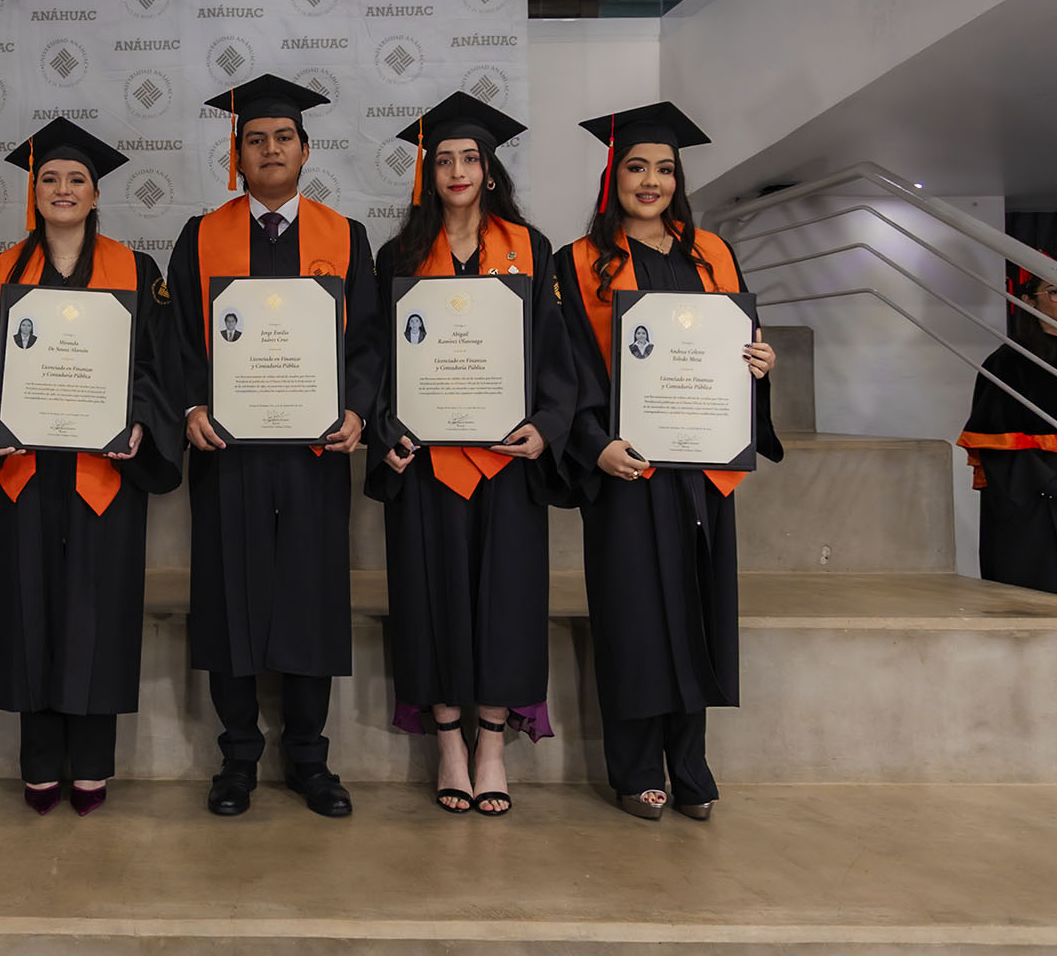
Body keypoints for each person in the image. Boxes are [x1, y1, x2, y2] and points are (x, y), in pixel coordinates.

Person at [0, 117, 183, 817]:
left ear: (95, 192)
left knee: (97, 614)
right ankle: (40, 759)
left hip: (101, 475)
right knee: (30, 616)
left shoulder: (138, 272)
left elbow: (157, 370)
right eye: (49, 178)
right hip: (24, 474)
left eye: (76, 178)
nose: (62, 188)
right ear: (33, 191)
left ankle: (93, 762)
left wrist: (140, 424)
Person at [553, 100, 781, 822]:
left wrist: (760, 364)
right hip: (627, 467)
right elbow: (567, 370)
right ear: (612, 175)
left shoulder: (711, 253)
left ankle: (689, 762)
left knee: (696, 611)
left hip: (702, 465)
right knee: (632, 616)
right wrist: (594, 445)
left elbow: (732, 347)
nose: (649, 181)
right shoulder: (578, 262)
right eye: (636, 167)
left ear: (678, 180)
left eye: (664, 169)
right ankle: (634, 767)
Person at [167, 73, 384, 819]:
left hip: (315, 453)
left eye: (282, 138)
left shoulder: (345, 237)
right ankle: (236, 760)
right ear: (238, 153)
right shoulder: (200, 237)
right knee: (228, 599)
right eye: (255, 139)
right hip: (228, 452)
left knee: (310, 597)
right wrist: (192, 404)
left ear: (305, 149)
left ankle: (309, 759)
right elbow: (180, 344)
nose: (269, 149)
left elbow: (366, 344)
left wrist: (358, 410)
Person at [365, 91, 574, 817]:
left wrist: (547, 426)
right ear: (429, 174)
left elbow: (555, 352)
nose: (456, 169)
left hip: (506, 461)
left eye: (469, 158)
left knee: (505, 603)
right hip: (428, 466)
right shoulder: (398, 257)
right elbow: (378, 364)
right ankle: (448, 742)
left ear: (490, 171)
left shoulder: (529, 248)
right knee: (432, 600)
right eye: (443, 159)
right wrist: (385, 430)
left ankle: (492, 745)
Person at [958, 255, 1057, 593]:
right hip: (1036, 497)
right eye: (1055, 291)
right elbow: (996, 446)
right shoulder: (1008, 364)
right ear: (1028, 300)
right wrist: (1053, 485)